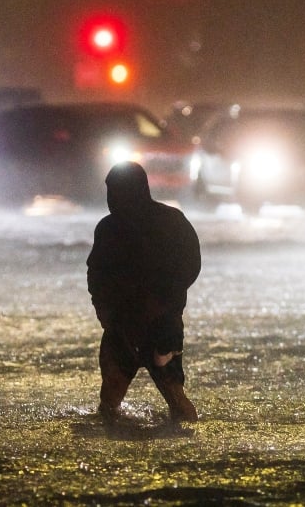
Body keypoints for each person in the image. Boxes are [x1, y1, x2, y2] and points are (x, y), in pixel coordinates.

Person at [87, 161, 201, 424]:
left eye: (114, 191)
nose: (111, 198)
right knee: (170, 401)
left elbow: (97, 275)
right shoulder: (168, 221)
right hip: (140, 325)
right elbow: (191, 266)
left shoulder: (115, 228)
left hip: (147, 326)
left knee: (114, 407)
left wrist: (161, 301)